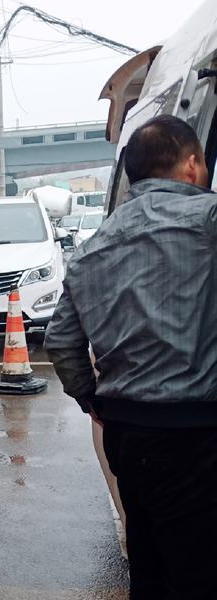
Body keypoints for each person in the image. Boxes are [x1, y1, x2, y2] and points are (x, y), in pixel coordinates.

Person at [45, 114, 217, 599]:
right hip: (197, 434)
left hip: (127, 434)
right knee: (198, 575)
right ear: (192, 163)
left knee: (148, 566)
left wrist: (92, 400)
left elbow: (61, 341)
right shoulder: (208, 222)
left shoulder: (92, 247)